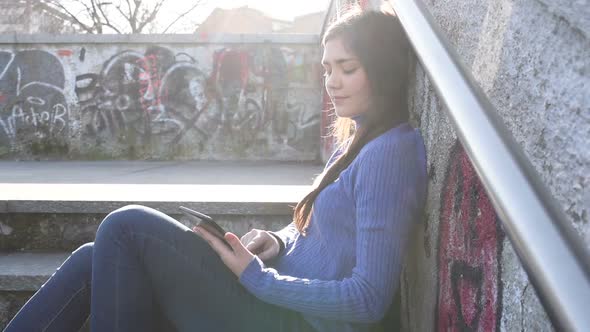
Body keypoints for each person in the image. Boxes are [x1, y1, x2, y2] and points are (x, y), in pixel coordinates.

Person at [4, 8, 426, 332]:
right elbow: (318, 235)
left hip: (294, 320)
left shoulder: (391, 152)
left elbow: (369, 298)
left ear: (384, 69)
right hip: (275, 298)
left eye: (347, 68)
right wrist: (275, 242)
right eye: (327, 69)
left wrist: (257, 278)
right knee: (94, 258)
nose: (332, 82)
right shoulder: (356, 141)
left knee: (127, 225)